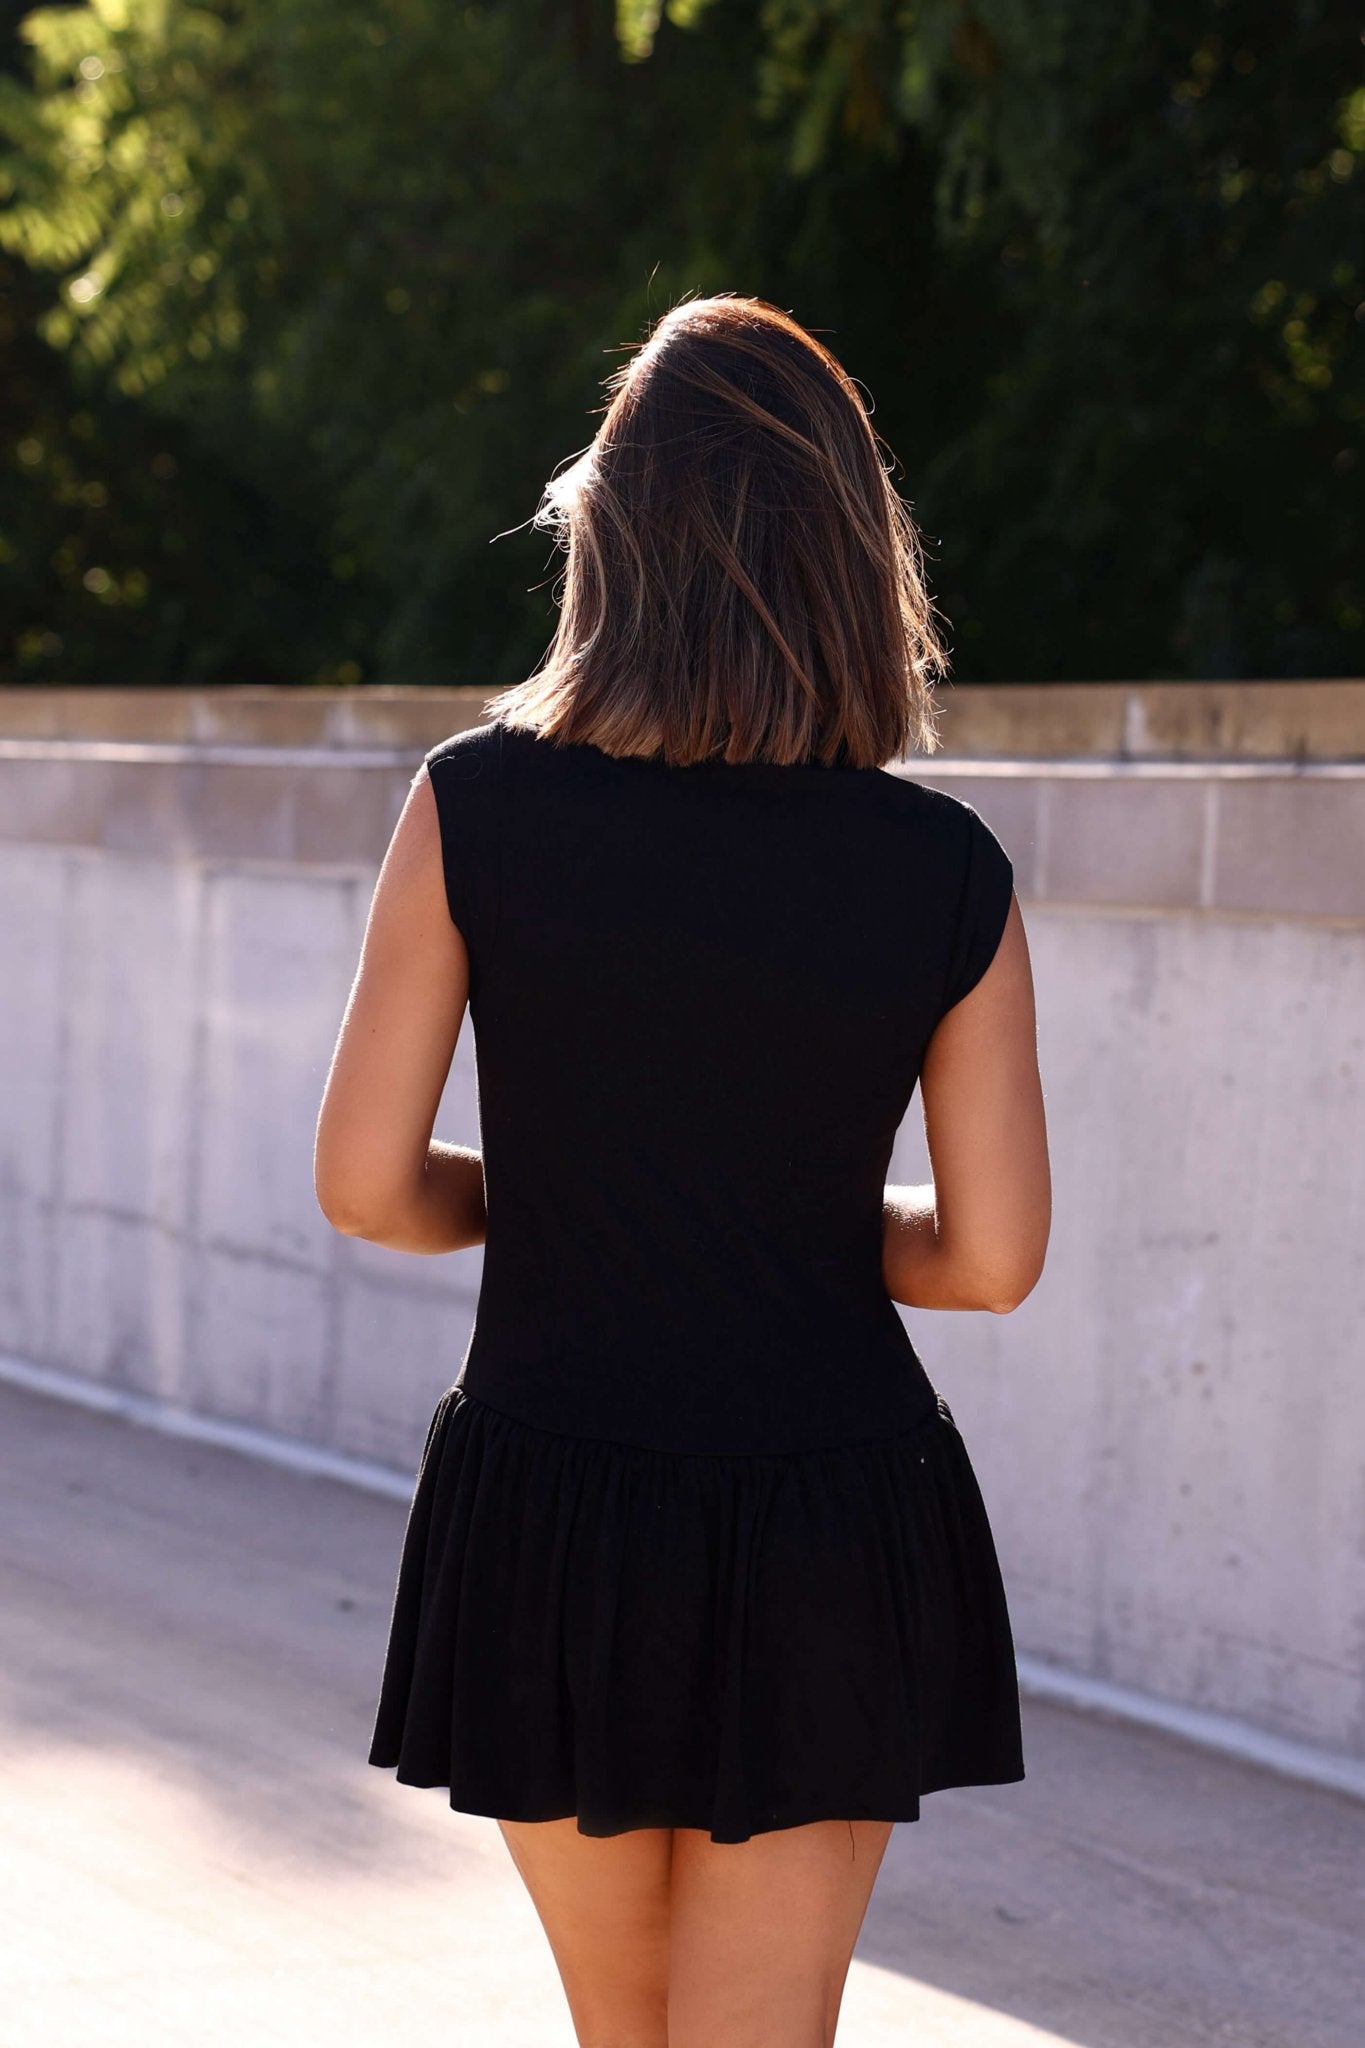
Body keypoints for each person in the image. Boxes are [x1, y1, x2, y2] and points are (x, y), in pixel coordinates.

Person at [314, 292, 1050, 2048]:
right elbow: (990, 1257)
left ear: (609, 541)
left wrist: (576, 1192)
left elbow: (364, 1183)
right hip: (826, 1509)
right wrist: (775, 1212)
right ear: (854, 554)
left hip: (552, 1500)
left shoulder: (472, 808)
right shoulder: (942, 869)